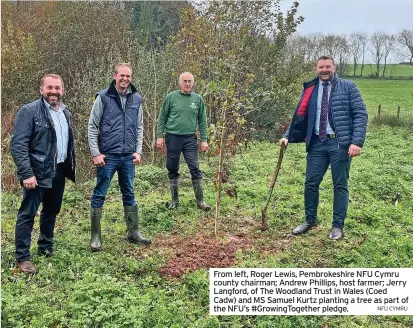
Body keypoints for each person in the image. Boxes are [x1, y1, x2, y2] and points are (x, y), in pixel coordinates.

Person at [280, 55, 368, 240]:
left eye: (328, 66)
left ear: (334, 67)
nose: (324, 70)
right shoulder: (310, 89)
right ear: (316, 69)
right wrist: (287, 136)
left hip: (340, 144)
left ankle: (337, 226)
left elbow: (360, 114)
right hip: (317, 143)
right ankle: (310, 220)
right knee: (311, 183)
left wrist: (356, 142)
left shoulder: (348, 87)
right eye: (321, 67)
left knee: (340, 185)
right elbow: (299, 115)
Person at [10, 74, 76, 273]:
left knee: (51, 211)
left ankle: (45, 246)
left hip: (59, 169)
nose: (54, 92)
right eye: (50, 88)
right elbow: (18, 145)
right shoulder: (29, 111)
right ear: (41, 90)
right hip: (36, 173)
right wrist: (27, 173)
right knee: (28, 213)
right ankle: (22, 257)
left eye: (57, 88)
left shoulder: (66, 112)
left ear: (62, 90)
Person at [88, 63, 151, 252]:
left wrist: (138, 151)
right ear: (115, 75)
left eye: (128, 76)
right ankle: (95, 237)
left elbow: (139, 127)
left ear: (131, 78)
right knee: (99, 194)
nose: (125, 79)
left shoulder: (136, 99)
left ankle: (133, 232)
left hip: (128, 157)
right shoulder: (103, 97)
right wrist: (95, 153)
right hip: (107, 156)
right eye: (122, 75)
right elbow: (92, 126)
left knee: (129, 193)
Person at [156, 72, 210, 211]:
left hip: (190, 138)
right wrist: (159, 136)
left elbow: (202, 121)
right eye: (185, 81)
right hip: (173, 137)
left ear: (193, 83)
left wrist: (204, 140)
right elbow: (162, 117)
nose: (187, 84)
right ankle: (174, 201)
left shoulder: (197, 99)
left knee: (195, 167)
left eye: (190, 81)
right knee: (172, 168)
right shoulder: (171, 97)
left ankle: (200, 202)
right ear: (180, 83)